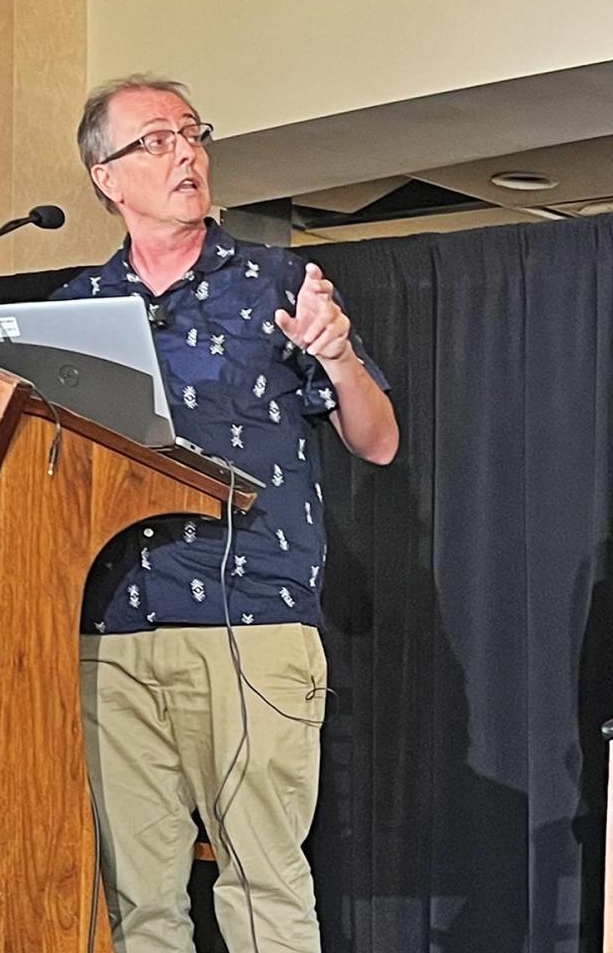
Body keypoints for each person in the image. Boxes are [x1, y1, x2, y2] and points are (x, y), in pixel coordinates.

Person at [56, 75, 399, 953]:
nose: (186, 155)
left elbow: (380, 441)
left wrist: (338, 355)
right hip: (114, 633)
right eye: (156, 141)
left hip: (251, 623)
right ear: (107, 178)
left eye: (192, 135)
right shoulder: (75, 311)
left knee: (264, 889)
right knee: (139, 907)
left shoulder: (279, 284)